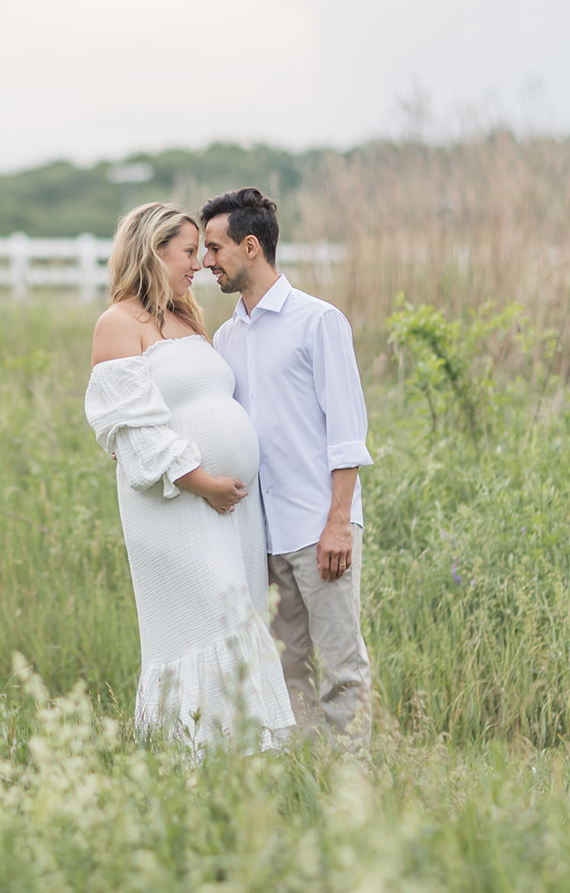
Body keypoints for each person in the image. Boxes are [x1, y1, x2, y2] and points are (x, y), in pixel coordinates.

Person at [84, 201, 295, 755]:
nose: (199, 263)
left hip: (230, 509)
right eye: (187, 251)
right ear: (153, 253)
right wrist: (203, 481)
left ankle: (245, 752)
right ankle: (191, 757)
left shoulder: (187, 318)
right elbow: (133, 432)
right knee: (209, 616)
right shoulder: (118, 324)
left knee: (238, 615)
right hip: (176, 503)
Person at [200, 187, 374, 747]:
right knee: (284, 673)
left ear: (250, 247)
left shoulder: (318, 322)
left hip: (320, 529)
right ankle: (304, 783)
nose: (206, 262)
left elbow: (347, 434)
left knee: (341, 668)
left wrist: (339, 522)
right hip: (262, 539)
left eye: (214, 248)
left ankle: (352, 787)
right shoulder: (226, 337)